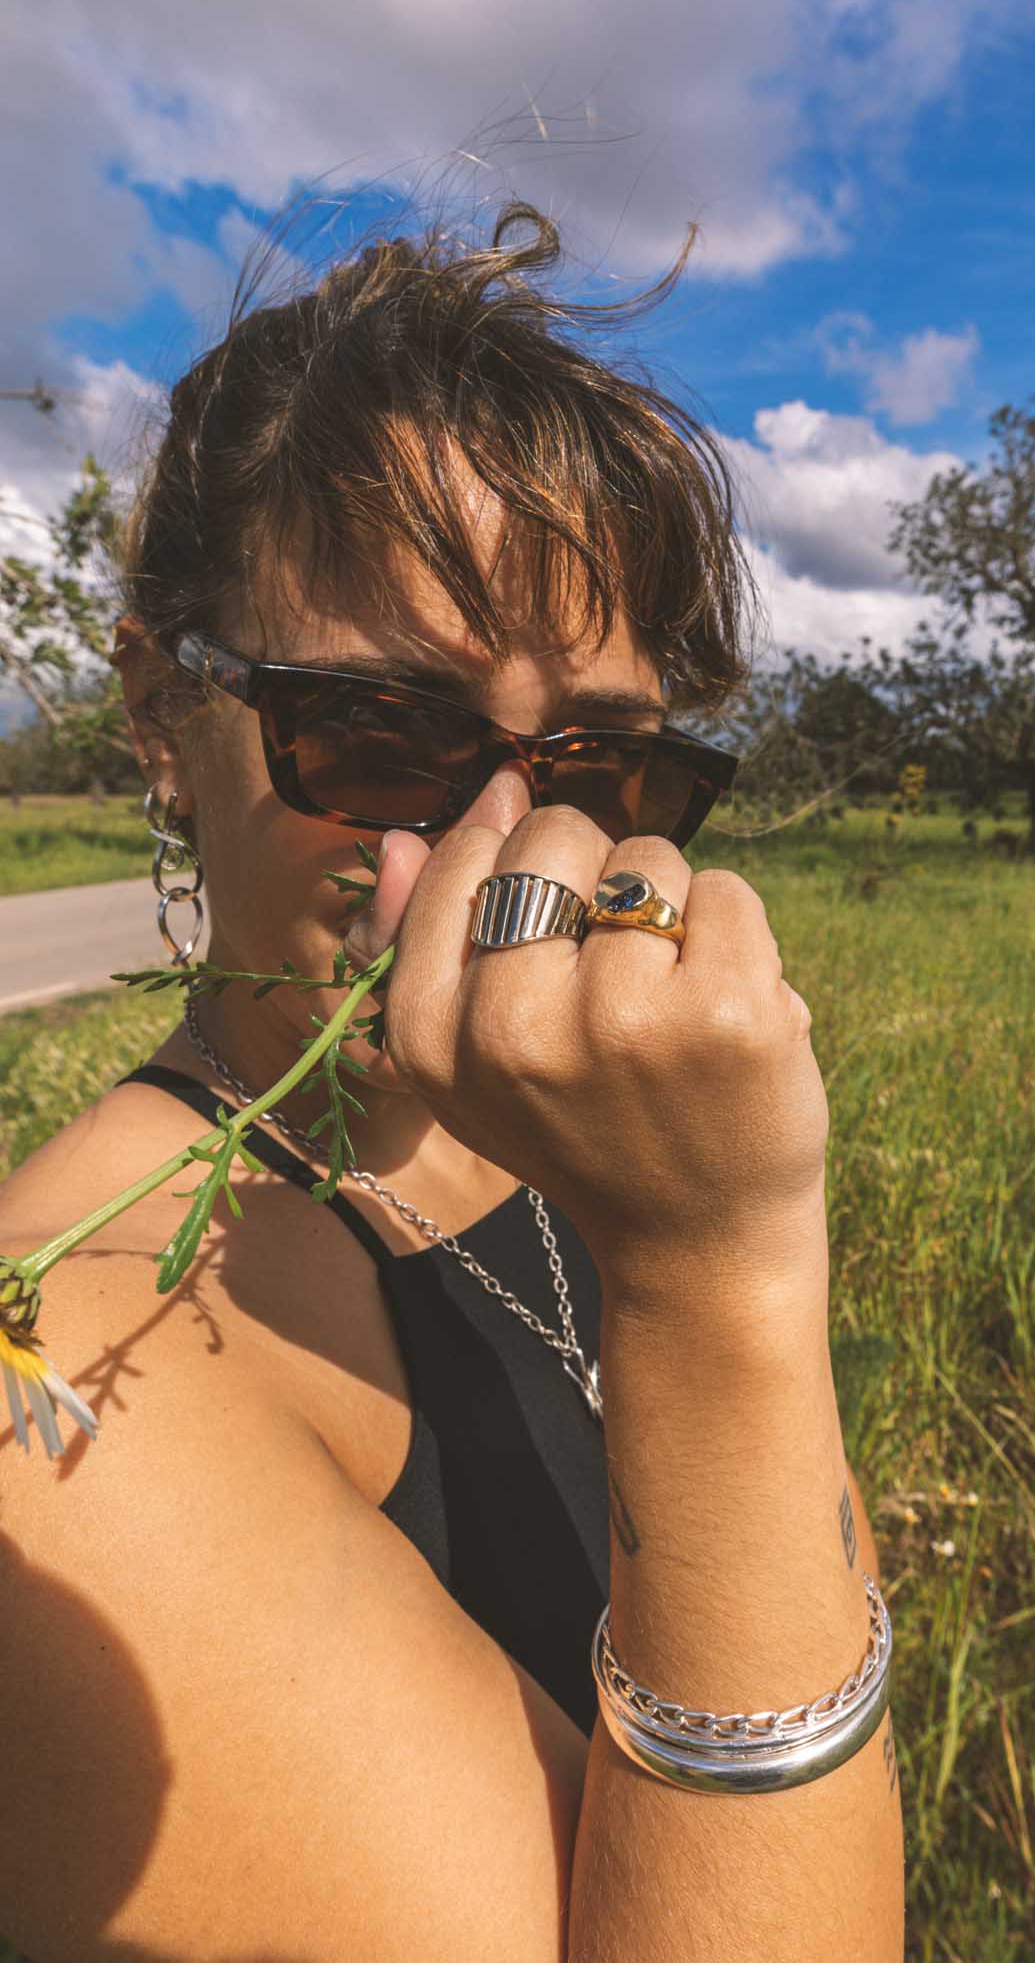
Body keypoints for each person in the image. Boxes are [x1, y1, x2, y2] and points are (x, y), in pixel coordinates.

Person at [0, 203, 906, 1959]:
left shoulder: (574, 1131)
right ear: (156, 718)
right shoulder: (62, 1390)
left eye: (592, 760)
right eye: (376, 736)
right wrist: (723, 1286)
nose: (493, 858)